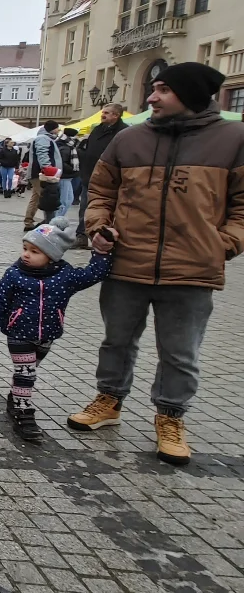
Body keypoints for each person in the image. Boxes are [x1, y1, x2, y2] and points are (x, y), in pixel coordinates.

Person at [73, 62, 244, 466]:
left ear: (191, 94)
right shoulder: (129, 140)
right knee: (116, 340)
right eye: (152, 89)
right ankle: (109, 401)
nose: (151, 97)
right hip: (126, 262)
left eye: (163, 90)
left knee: (180, 352)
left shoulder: (233, 140)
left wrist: (222, 245)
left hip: (192, 269)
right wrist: (99, 226)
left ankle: (170, 417)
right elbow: (99, 191)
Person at [0, 217, 113, 441]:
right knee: (26, 373)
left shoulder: (65, 276)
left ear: (51, 256)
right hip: (19, 333)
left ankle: (15, 397)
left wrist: (102, 253)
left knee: (28, 371)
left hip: (47, 335)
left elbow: (93, 274)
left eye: (35, 251)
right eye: (25, 248)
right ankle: (23, 412)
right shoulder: (14, 275)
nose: (26, 254)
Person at [75, 104, 127, 249]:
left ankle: (109, 238)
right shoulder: (97, 130)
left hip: (113, 179)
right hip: (90, 177)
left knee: (111, 209)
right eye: (103, 112)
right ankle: (82, 236)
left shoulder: (124, 132)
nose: (102, 115)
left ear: (116, 115)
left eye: (106, 113)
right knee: (85, 207)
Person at [23, 121, 62, 231]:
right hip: (42, 174)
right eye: (57, 128)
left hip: (38, 173)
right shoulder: (43, 138)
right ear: (52, 129)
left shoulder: (44, 138)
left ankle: (28, 221)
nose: (58, 130)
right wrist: (48, 169)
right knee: (48, 199)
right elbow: (42, 153)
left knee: (36, 199)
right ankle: (49, 225)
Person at [55, 127, 81, 217]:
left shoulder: (66, 146)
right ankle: (56, 221)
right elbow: (62, 163)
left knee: (69, 199)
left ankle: (58, 219)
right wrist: (73, 169)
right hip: (64, 177)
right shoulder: (66, 147)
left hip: (67, 177)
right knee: (65, 201)